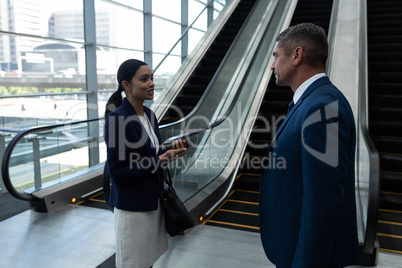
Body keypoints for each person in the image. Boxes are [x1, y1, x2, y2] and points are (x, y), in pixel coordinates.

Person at [259, 23, 361, 267]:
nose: (272, 65)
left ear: (297, 55)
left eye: (276, 56)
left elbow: (322, 203)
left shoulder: (322, 108)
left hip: (304, 256)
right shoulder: (310, 101)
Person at [104, 59, 187, 268]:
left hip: (152, 203)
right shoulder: (117, 119)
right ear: (126, 85)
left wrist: (170, 152)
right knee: (133, 263)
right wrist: (158, 160)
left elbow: (152, 153)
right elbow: (118, 174)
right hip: (133, 209)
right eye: (144, 79)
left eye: (152, 78)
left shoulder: (150, 115)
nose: (151, 83)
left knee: (148, 262)